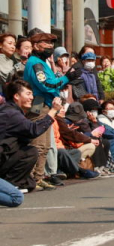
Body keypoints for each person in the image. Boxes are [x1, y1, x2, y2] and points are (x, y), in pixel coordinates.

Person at [23, 31, 68, 189]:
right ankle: (31, 179)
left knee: (46, 145)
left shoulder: (42, 62)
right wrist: (68, 77)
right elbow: (47, 85)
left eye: (51, 43)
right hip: (38, 104)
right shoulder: (35, 63)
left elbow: (53, 81)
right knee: (38, 144)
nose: (50, 46)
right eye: (46, 43)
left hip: (47, 105)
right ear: (35, 46)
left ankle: (38, 177)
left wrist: (62, 73)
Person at [0, 80, 62, 194]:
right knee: (31, 151)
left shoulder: (12, 110)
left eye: (32, 94)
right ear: (16, 96)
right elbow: (34, 130)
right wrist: (53, 110)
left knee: (30, 184)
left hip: (6, 155)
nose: (32, 97)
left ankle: (14, 183)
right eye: (28, 94)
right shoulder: (11, 113)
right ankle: (8, 185)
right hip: (3, 156)